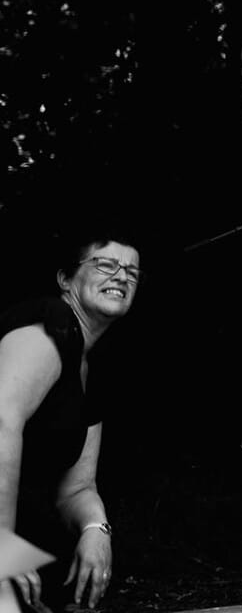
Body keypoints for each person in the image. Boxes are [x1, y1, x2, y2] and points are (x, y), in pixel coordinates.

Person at [1, 232, 141, 612]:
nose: (122, 277)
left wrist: (97, 529)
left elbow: (77, 487)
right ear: (66, 279)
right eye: (106, 265)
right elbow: (1, 420)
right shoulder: (44, 335)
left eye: (132, 271)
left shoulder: (91, 370)